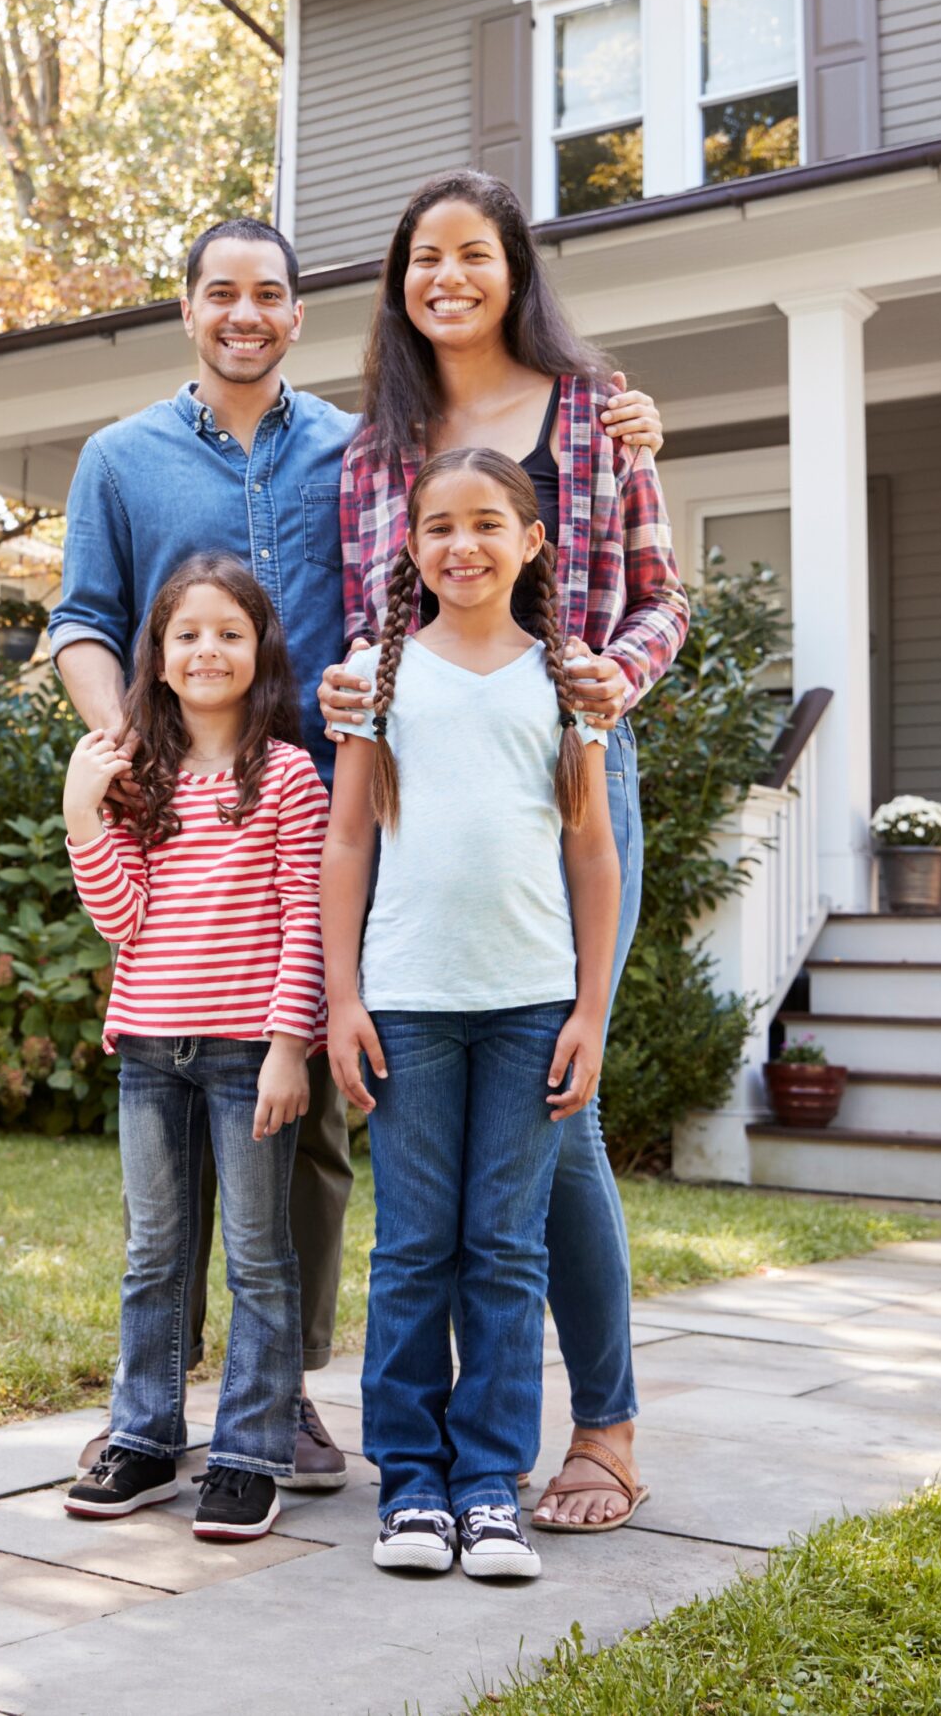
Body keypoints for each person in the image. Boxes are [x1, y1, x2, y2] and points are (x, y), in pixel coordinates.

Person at [47, 215, 663, 1488]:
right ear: (184, 306)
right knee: (291, 1099)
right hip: (299, 810)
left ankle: (568, 1424)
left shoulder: (513, 423)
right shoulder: (282, 448)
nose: (244, 313)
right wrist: (139, 758)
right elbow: (107, 621)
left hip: (486, 778)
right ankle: (224, 1407)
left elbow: (640, 586)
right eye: (219, 291)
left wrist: (608, 674)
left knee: (516, 1103)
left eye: (269, 292)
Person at [322, 170, 686, 1536]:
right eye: (425, 257)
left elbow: (661, 599)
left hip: (571, 765)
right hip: (420, 787)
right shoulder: (374, 448)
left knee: (561, 1100)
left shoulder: (597, 410)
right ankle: (444, 1455)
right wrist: (348, 698)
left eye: (474, 254)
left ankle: (604, 1426)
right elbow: (367, 632)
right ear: (400, 280)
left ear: (513, 268)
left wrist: (609, 681)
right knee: (439, 1196)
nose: (448, 277)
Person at [322, 448, 619, 1582]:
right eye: (439, 525)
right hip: (408, 1004)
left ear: (533, 541)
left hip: (530, 1005)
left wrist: (590, 1008)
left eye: (488, 523)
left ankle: (490, 1482)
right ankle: (410, 1480)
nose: (463, 544)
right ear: (411, 546)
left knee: (502, 1249)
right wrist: (344, 996)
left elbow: (590, 853)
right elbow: (347, 842)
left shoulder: (568, 684)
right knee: (411, 1249)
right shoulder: (377, 678)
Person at [61, 553, 327, 1543]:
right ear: (159, 659)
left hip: (244, 1051)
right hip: (147, 1050)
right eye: (187, 634)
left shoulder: (289, 775)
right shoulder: (137, 778)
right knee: (152, 1254)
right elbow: (121, 918)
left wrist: (287, 1045)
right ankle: (143, 1437)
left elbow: (305, 916)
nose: (207, 648)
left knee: (257, 1256)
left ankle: (251, 1452)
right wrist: (82, 811)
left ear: (259, 652)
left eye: (229, 631)